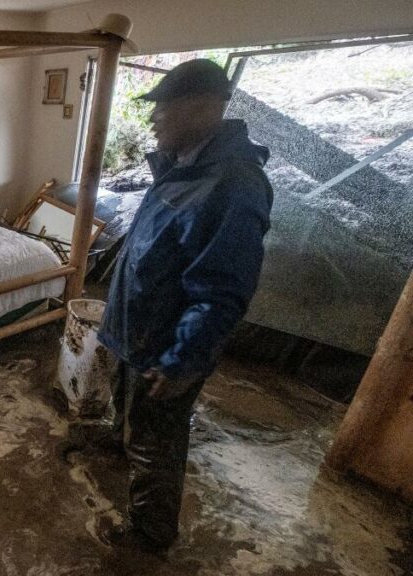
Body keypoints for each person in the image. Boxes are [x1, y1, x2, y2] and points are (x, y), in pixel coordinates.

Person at [91, 59, 274, 553]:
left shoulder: (232, 185)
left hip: (164, 343)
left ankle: (150, 535)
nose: (153, 121)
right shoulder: (183, 166)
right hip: (137, 328)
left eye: (163, 109)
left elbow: (220, 294)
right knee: (127, 403)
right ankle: (117, 438)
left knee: (158, 440)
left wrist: (181, 362)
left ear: (201, 109)